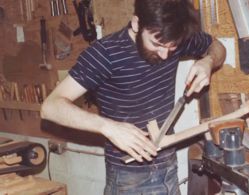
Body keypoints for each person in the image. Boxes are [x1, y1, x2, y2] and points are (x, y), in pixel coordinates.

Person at [41, 0, 226, 194]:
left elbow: (217, 47)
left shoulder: (172, 37)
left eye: (171, 48)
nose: (165, 55)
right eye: (157, 44)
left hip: (169, 169)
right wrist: (108, 127)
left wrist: (208, 61)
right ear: (137, 24)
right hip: (129, 180)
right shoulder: (105, 54)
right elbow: (50, 107)